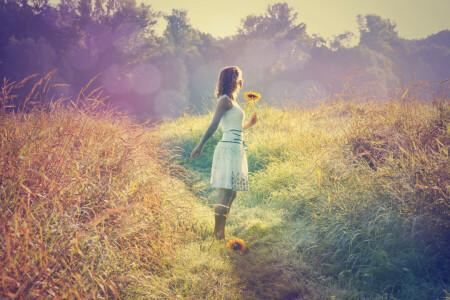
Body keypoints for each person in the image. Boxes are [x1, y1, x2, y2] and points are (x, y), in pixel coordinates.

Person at [190, 66, 258, 240]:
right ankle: (217, 234)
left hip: (236, 147)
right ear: (234, 80)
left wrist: (249, 124)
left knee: (232, 193)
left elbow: (234, 129)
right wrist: (200, 145)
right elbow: (214, 125)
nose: (242, 81)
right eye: (240, 78)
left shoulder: (232, 102)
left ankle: (220, 232)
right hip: (228, 149)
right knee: (225, 193)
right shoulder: (224, 101)